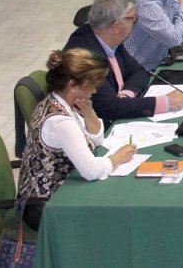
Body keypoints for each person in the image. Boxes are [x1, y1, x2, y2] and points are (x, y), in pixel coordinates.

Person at [17, 48, 138, 230]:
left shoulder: (59, 101)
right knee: (117, 219)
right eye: (93, 84)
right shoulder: (60, 122)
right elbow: (92, 171)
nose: (96, 89)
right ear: (73, 85)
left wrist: (89, 113)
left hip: (60, 192)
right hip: (45, 208)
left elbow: (95, 142)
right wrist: (117, 158)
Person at [63, 0, 183, 122]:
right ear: (116, 26)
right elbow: (110, 108)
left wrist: (125, 95)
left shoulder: (108, 37)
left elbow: (139, 71)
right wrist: (165, 102)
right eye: (132, 18)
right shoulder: (86, 57)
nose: (135, 22)